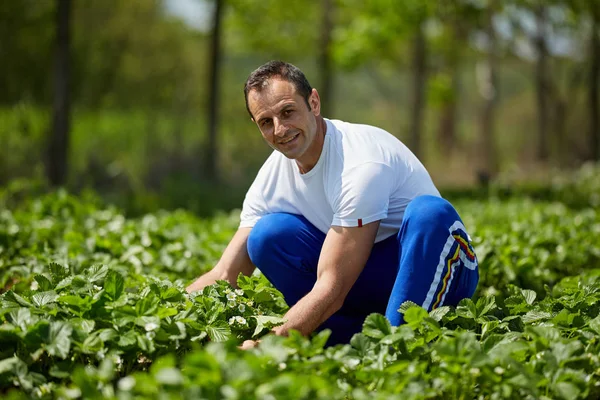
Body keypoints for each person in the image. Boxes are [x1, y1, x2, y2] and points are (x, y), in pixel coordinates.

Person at [186, 60, 479, 347]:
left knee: (429, 213)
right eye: (266, 122)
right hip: (363, 277)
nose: (279, 130)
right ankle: (344, 338)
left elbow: (333, 286)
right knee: (267, 235)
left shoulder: (360, 163)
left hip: (434, 267)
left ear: (313, 102)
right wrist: (166, 319)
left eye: (288, 112)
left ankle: (396, 344)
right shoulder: (272, 176)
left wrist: (269, 344)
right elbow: (226, 274)